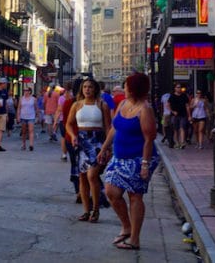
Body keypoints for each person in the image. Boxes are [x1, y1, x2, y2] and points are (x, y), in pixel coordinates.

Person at [99, 72, 159, 251]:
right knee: (111, 191)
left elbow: (149, 139)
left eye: (126, 87)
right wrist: (104, 148)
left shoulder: (145, 109)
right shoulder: (123, 104)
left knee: (135, 195)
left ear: (134, 90)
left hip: (139, 158)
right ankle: (126, 226)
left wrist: (145, 165)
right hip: (119, 157)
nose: (123, 89)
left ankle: (134, 238)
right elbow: (114, 128)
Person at [67, 78, 112, 223]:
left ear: (95, 89)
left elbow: (108, 127)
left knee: (92, 175)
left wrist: (107, 146)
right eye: (85, 87)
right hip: (81, 140)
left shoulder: (102, 105)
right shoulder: (77, 105)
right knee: (82, 177)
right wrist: (73, 135)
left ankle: (96, 209)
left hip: (97, 140)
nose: (87, 90)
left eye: (90, 87)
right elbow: (69, 124)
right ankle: (86, 211)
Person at [168, 83, 190, 148]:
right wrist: (172, 111)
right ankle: (177, 142)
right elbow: (168, 105)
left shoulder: (184, 96)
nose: (179, 88)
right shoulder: (172, 96)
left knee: (182, 127)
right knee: (175, 129)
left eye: (180, 87)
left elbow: (187, 106)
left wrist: (189, 115)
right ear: (175, 88)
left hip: (183, 114)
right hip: (174, 115)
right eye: (177, 87)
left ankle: (182, 142)